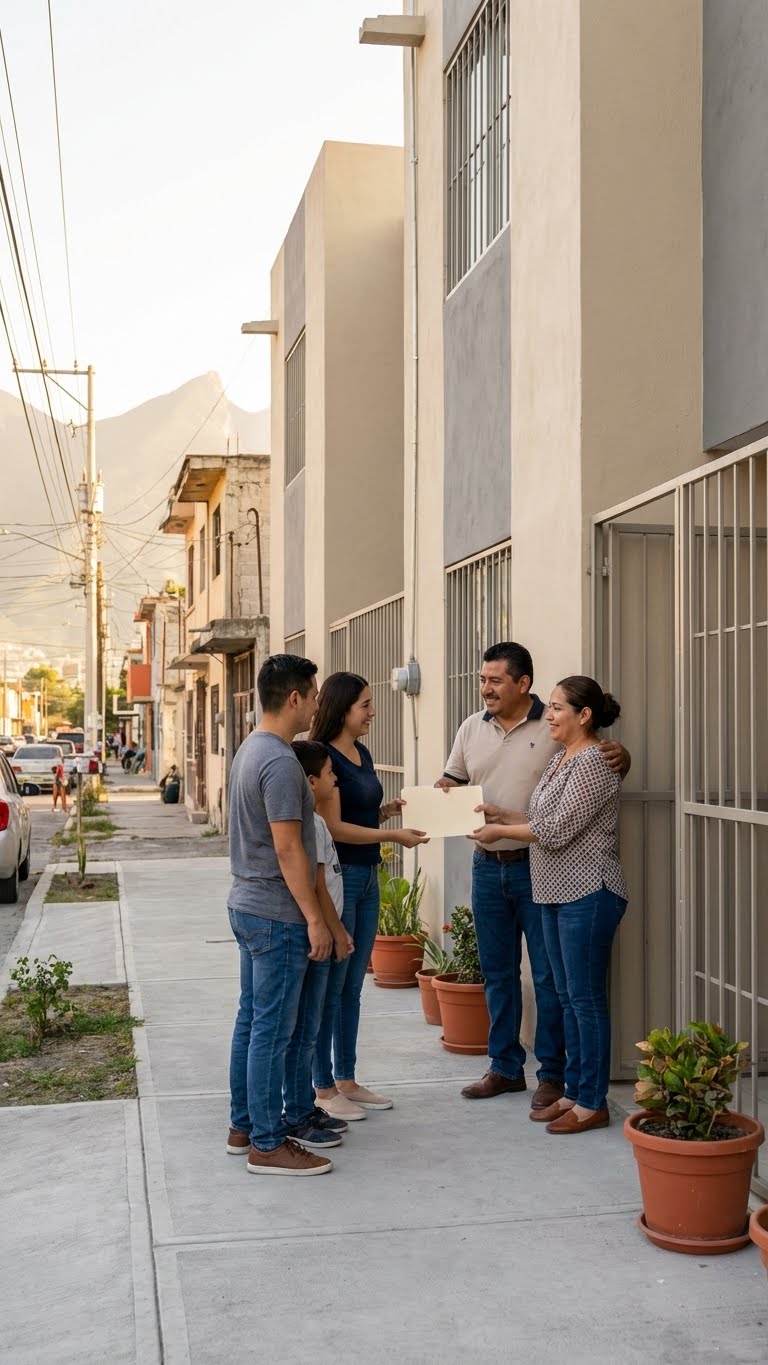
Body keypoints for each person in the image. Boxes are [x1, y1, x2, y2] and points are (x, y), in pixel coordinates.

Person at [437, 641, 629, 1115]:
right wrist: (442, 797)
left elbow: (592, 780)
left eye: (495, 680)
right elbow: (455, 783)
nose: (485, 688)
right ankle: (504, 1067)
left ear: (523, 684)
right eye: (482, 679)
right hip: (490, 866)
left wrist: (622, 755)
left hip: (543, 870)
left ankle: (555, 1076)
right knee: (500, 973)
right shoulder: (471, 728)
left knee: (552, 982)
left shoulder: (556, 731)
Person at [226, 653, 337, 1177]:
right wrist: (315, 918)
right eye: (313, 696)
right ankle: (268, 1144)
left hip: (248, 904)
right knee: (272, 1029)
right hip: (275, 913)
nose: (316, 705)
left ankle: (244, 1124)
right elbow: (290, 847)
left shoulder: (251, 749)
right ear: (294, 698)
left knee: (253, 1021)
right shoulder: (280, 761)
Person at [310, 671, 429, 1122]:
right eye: (365, 704)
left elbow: (355, 812)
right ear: (343, 709)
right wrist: (393, 835)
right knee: (331, 987)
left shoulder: (360, 753)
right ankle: (322, 1087)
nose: (372, 712)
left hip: (368, 876)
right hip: (340, 881)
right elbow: (334, 828)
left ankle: (347, 1079)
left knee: (353, 987)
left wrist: (386, 811)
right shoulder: (323, 758)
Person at [283, 739, 356, 1149]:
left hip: (326, 931)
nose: (335, 778)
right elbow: (317, 885)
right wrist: (333, 929)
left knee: (311, 1026)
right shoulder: (307, 825)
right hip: (318, 935)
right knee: (303, 1030)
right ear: (310, 781)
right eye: (330, 773)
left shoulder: (318, 822)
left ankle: (303, 1106)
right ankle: (297, 1110)